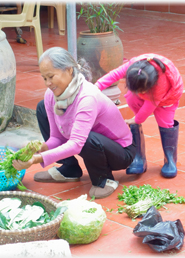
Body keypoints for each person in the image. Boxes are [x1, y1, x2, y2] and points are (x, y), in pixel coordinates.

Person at [12, 47, 136, 199]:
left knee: (87, 139)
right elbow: (56, 138)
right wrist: (37, 149)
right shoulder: (51, 96)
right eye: (44, 78)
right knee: (42, 108)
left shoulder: (87, 97)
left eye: (51, 76)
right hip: (91, 142)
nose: (48, 83)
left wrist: (37, 159)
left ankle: (104, 179)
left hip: (121, 152)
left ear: (69, 70)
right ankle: (69, 169)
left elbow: (77, 143)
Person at [95, 53, 183, 178]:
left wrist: (137, 119)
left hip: (169, 97)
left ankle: (170, 160)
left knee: (165, 122)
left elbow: (149, 106)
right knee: (132, 99)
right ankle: (138, 157)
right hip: (147, 89)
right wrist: (96, 87)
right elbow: (114, 75)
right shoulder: (133, 67)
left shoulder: (160, 83)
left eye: (142, 91)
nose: (139, 93)